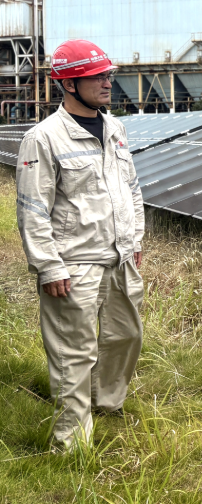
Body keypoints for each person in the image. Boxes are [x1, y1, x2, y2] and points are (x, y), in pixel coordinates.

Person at [15, 40, 145, 450]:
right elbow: (33, 208)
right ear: (69, 84)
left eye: (108, 74)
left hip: (120, 258)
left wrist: (134, 239)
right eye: (97, 77)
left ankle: (106, 406)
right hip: (74, 264)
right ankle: (72, 444)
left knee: (125, 337)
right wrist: (48, 265)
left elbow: (132, 188)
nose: (108, 82)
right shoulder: (43, 138)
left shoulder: (115, 128)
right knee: (74, 353)